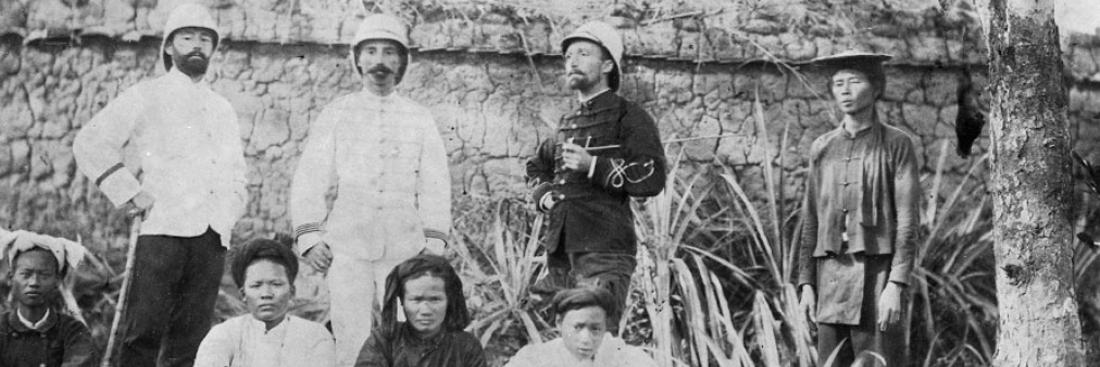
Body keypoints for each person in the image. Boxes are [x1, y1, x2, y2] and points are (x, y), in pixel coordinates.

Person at [72, 3, 248, 366]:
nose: (197, 45)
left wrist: (230, 212)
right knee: (143, 332)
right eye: (187, 38)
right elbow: (90, 141)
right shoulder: (147, 94)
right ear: (169, 47)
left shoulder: (222, 108)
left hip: (212, 236)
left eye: (205, 39)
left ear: (214, 49)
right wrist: (130, 192)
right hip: (163, 229)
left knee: (193, 338)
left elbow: (236, 171)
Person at [290, 13, 452, 366]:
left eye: (390, 52)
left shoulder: (418, 117)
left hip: (405, 244)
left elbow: (435, 184)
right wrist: (311, 236)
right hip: (348, 243)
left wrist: (433, 242)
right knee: (351, 331)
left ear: (402, 62)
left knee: (406, 329)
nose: (380, 61)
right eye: (372, 51)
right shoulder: (338, 113)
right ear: (358, 59)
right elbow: (310, 178)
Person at [525, 21, 666, 330]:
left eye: (583, 53)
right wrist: (544, 195)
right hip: (561, 255)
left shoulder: (628, 115)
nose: (571, 62)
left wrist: (594, 166)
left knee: (595, 345)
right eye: (568, 56)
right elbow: (536, 167)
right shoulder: (567, 122)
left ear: (606, 64)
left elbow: (652, 176)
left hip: (604, 254)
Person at [796, 51, 921, 367]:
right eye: (838, 84)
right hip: (831, 280)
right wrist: (807, 283)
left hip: (876, 279)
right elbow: (811, 218)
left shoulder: (896, 145)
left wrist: (896, 284)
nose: (845, 91)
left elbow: (907, 221)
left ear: (877, 87)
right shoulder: (822, 148)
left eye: (854, 81)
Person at [194, 238, 335, 367]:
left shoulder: (315, 336)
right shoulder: (224, 334)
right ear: (243, 294)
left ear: (291, 291)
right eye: (256, 285)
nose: (266, 294)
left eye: (276, 284)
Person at [353, 254, 486, 367]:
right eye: (416, 300)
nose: (425, 310)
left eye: (435, 299)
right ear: (402, 301)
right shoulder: (383, 341)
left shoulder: (466, 347)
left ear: (449, 300)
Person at [0, 230, 96, 367]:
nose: (33, 282)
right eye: (26, 274)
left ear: (57, 280)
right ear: (11, 278)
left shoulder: (73, 331)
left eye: (44, 275)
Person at [504, 287, 656, 367]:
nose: (586, 339)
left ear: (605, 327)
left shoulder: (623, 356)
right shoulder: (535, 359)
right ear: (559, 323)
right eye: (577, 327)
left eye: (595, 329)